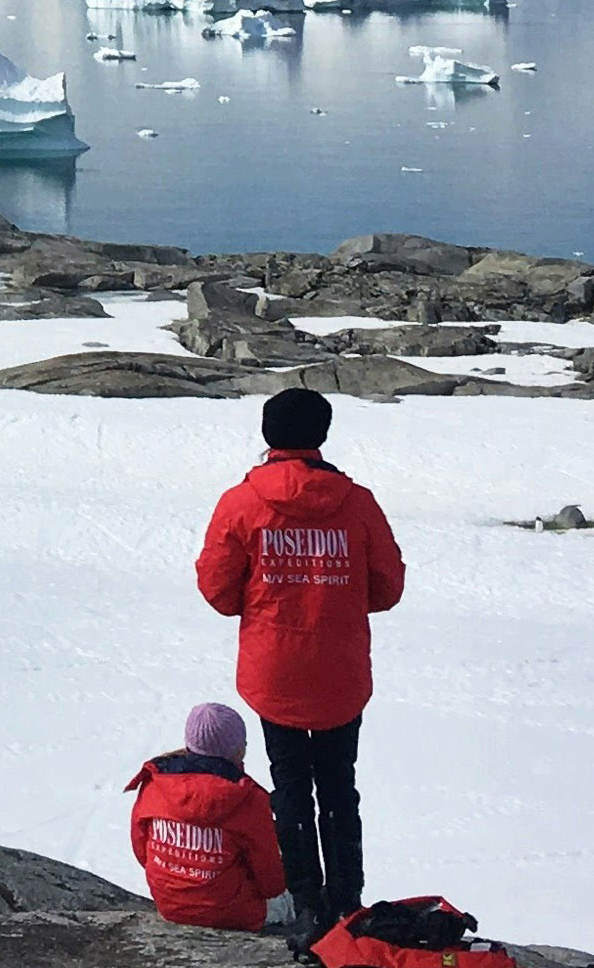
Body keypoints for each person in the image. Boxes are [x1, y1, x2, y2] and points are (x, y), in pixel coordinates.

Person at [194, 388, 404, 931]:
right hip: (340, 671)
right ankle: (348, 900)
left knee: (289, 785)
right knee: (339, 785)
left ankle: (306, 901)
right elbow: (387, 586)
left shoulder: (242, 503)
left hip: (275, 671)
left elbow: (218, 592)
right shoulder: (356, 502)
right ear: (321, 435)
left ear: (268, 436)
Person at [124, 701, 288, 932]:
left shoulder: (155, 783)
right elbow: (272, 885)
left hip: (171, 907)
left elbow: (142, 852)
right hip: (236, 916)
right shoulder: (248, 800)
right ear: (238, 750)